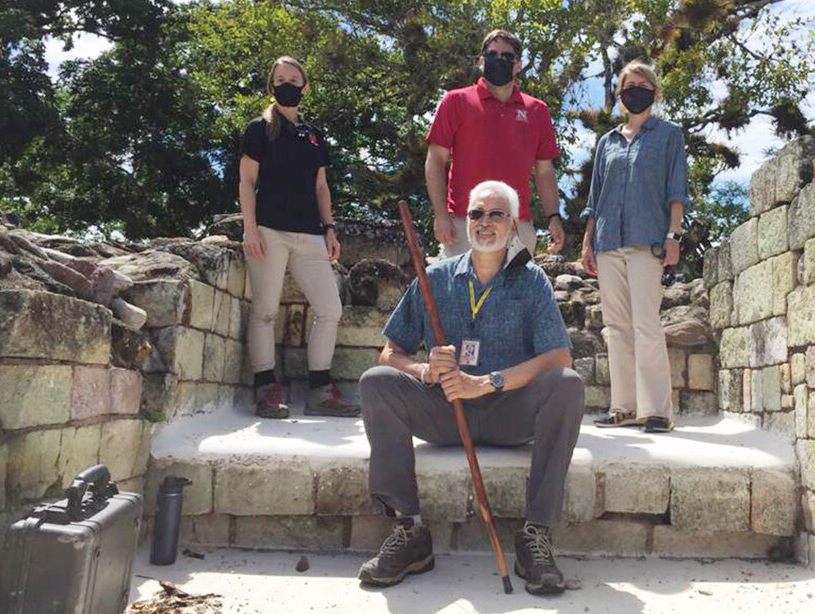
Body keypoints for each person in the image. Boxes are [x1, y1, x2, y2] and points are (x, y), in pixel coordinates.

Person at [358, 180, 584, 595]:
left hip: (508, 410)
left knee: (567, 386)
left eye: (496, 214)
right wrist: (425, 370)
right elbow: (389, 354)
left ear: (512, 226)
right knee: (377, 384)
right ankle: (410, 532)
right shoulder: (436, 277)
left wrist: (487, 382)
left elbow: (559, 358)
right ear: (466, 222)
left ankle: (535, 535)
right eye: (477, 213)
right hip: (446, 409)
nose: (484, 222)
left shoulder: (531, 281)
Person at [238, 56, 358, 419]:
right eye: (280, 79)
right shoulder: (259, 128)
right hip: (270, 231)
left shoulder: (314, 135)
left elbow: (321, 186)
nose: (287, 84)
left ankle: (321, 389)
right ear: (271, 86)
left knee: (330, 309)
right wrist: (250, 228)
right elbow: (246, 181)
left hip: (310, 235)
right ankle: (266, 388)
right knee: (265, 311)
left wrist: (330, 228)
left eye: (294, 78)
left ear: (305, 87)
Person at [579, 60, 689, 434]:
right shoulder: (606, 142)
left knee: (646, 324)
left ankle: (657, 411)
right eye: (629, 84)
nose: (635, 89)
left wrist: (673, 237)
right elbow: (596, 197)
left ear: (654, 92)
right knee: (616, 327)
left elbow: (677, 192)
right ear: (621, 95)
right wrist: (587, 241)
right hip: (607, 241)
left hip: (648, 242)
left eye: (643, 84)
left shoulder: (669, 135)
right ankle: (622, 408)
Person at [425, 29, 565, 258]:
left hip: (516, 227)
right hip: (465, 224)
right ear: (481, 61)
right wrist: (441, 215)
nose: (499, 60)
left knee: (514, 295)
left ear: (518, 64)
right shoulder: (456, 101)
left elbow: (545, 172)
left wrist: (554, 217)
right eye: (492, 54)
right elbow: (435, 160)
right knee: (462, 294)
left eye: (507, 56)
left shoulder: (537, 110)